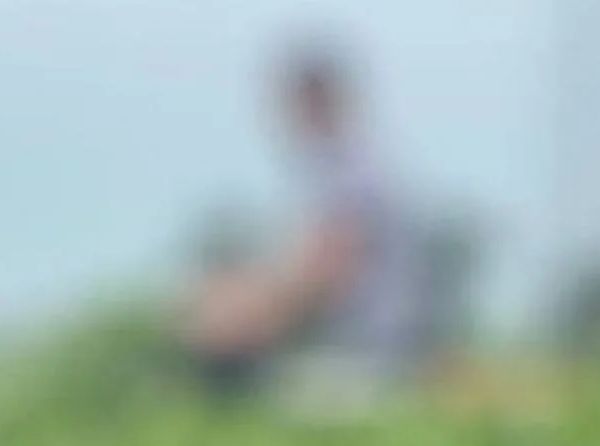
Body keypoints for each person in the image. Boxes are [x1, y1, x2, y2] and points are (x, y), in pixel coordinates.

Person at [181, 43, 432, 406]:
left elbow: (325, 271)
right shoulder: (338, 169)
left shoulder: (353, 173)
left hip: (374, 355)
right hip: (361, 346)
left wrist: (245, 313)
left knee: (247, 385)